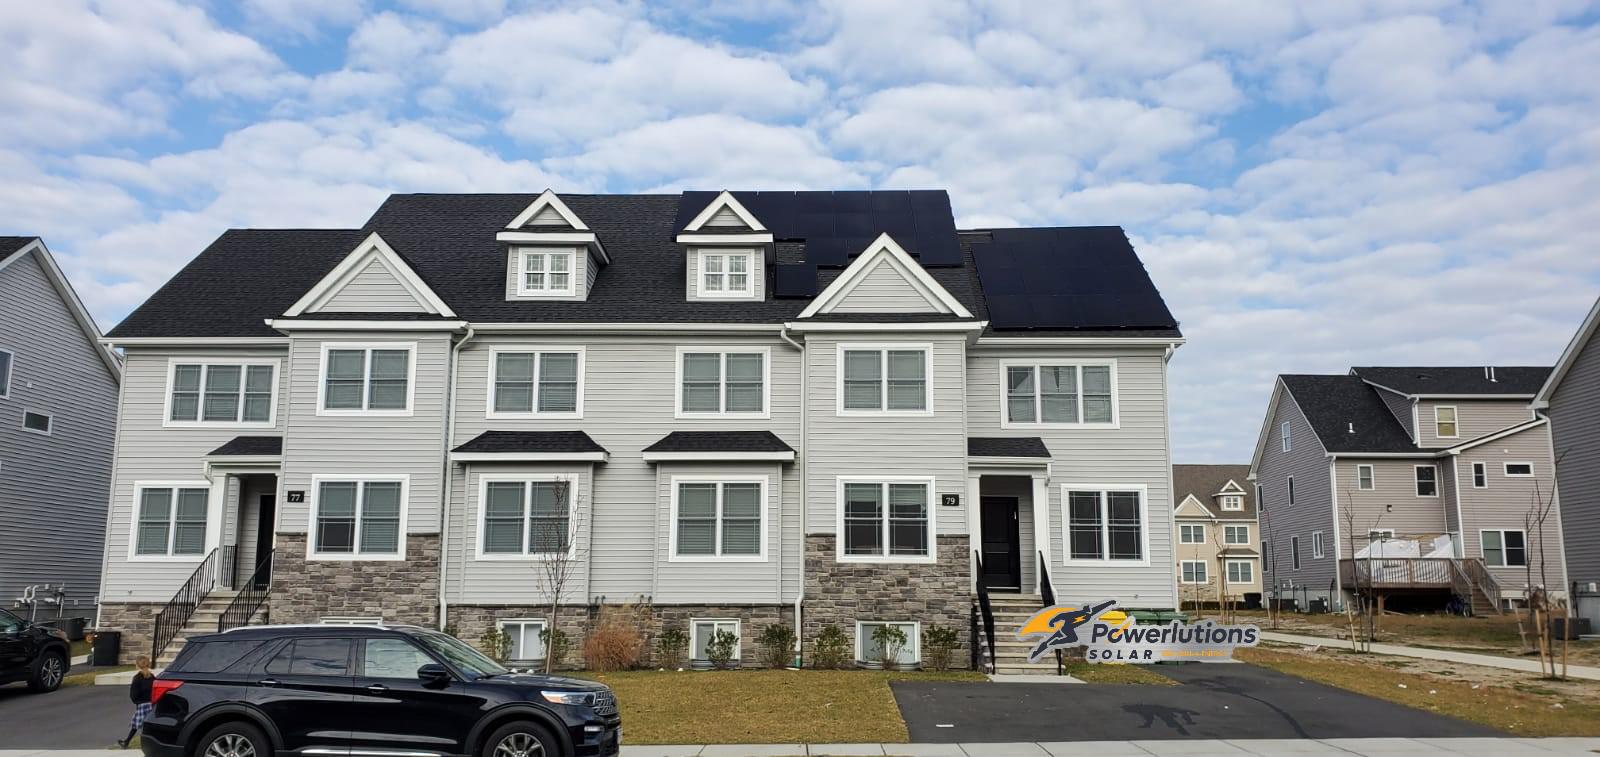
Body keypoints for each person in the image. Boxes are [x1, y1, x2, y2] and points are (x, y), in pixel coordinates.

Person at [117, 657, 155, 749]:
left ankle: (127, 742)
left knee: (136, 725)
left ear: (137, 665)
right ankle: (127, 741)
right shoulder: (152, 677)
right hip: (152, 703)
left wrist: (137, 702)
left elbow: (133, 695)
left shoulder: (137, 678)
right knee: (149, 725)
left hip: (142, 704)